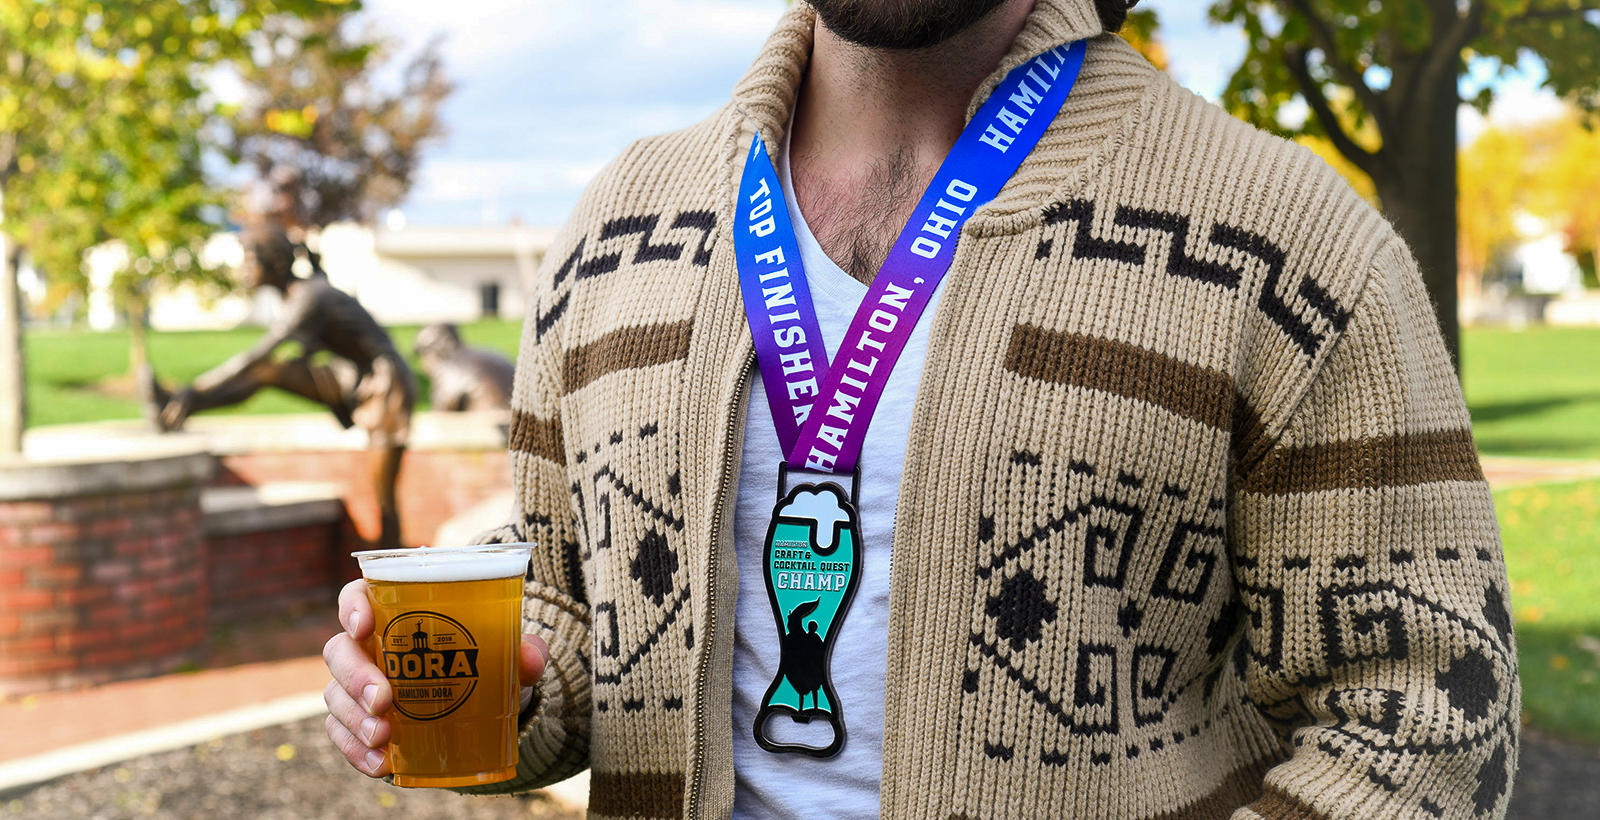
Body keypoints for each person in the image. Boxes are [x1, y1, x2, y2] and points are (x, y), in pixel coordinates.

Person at [324, 1, 1518, 817]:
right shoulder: (617, 227)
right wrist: (487, 690)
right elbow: (568, 609)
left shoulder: (1291, 244)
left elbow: (1428, 716)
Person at [144, 221, 415, 550]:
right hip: (351, 377)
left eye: (250, 261)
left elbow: (253, 356)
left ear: (273, 262)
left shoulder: (308, 297)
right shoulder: (299, 293)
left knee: (384, 497)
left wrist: (197, 386)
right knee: (268, 373)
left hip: (386, 386)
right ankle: (182, 405)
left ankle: (391, 571)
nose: (244, 270)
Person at [412, 322, 517, 411]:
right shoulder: (489, 355)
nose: (422, 366)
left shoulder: (449, 369)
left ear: (432, 354)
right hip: (517, 418)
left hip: (489, 422)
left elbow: (441, 412)